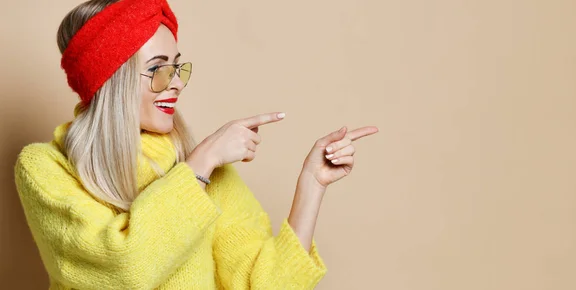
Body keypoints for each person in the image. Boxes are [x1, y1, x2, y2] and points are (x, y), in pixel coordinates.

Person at [13, 0, 379, 289]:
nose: (176, 83)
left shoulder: (200, 166)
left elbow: (265, 285)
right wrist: (200, 165)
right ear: (113, 81)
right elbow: (124, 270)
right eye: (158, 68)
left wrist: (312, 185)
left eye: (177, 67)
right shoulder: (46, 167)